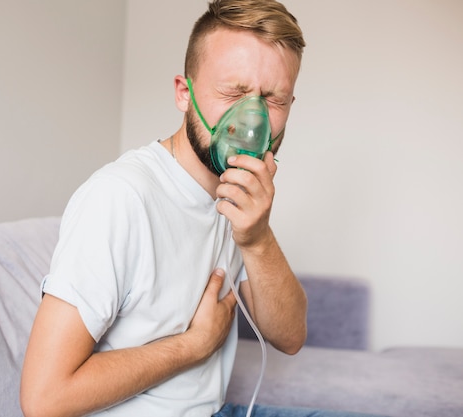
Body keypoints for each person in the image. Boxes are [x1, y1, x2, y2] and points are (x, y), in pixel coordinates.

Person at [21, 1, 380, 416]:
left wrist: (257, 237)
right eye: (233, 92)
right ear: (183, 92)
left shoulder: (236, 200)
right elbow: (43, 399)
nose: (252, 121)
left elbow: (290, 336)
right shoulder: (120, 198)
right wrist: (192, 346)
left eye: (273, 99)